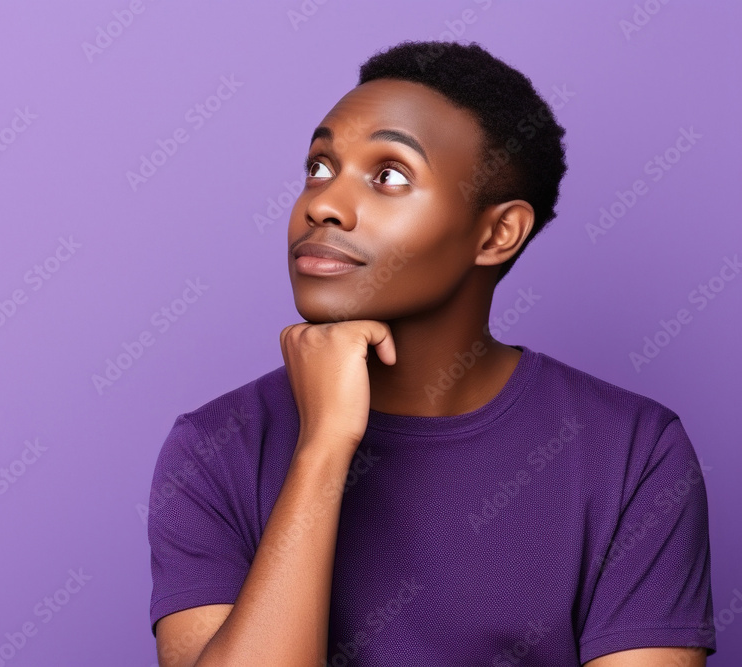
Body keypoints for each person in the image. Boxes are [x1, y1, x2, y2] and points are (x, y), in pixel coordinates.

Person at [146, 40, 716, 666]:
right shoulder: (215, 448)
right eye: (320, 166)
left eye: (389, 176)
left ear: (497, 233)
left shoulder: (634, 453)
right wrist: (323, 449)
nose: (322, 204)